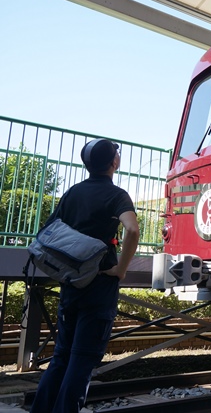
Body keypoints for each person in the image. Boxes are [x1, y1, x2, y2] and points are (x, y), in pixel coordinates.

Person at [30, 138, 140, 413]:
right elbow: (133, 229)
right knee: (82, 361)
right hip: (100, 284)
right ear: (114, 162)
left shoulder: (73, 192)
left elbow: (52, 230)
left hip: (71, 283)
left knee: (61, 357)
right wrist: (121, 269)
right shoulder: (117, 195)